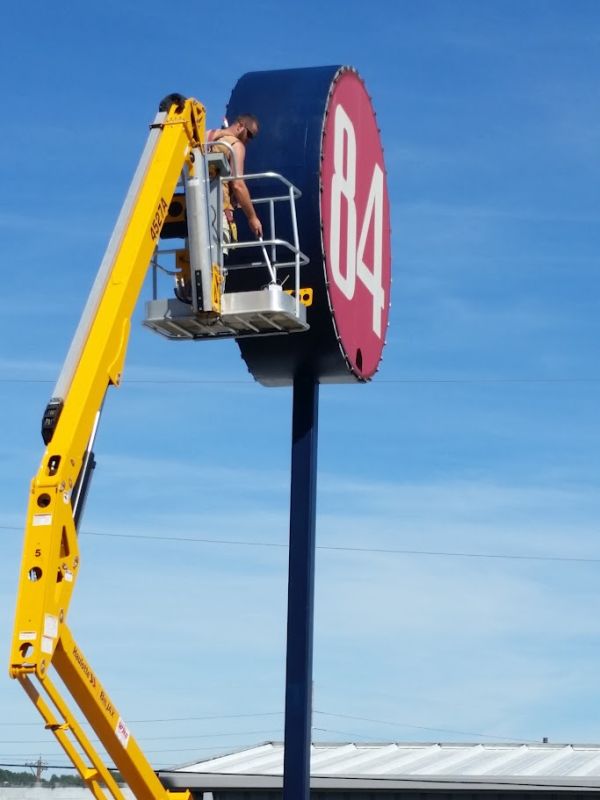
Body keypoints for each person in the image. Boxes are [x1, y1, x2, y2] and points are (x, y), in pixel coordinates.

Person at [206, 114, 263, 243]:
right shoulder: (236, 146)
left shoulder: (207, 136)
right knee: (216, 261)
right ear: (240, 126)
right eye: (249, 134)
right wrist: (252, 218)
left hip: (194, 211)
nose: (249, 140)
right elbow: (238, 185)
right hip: (217, 214)